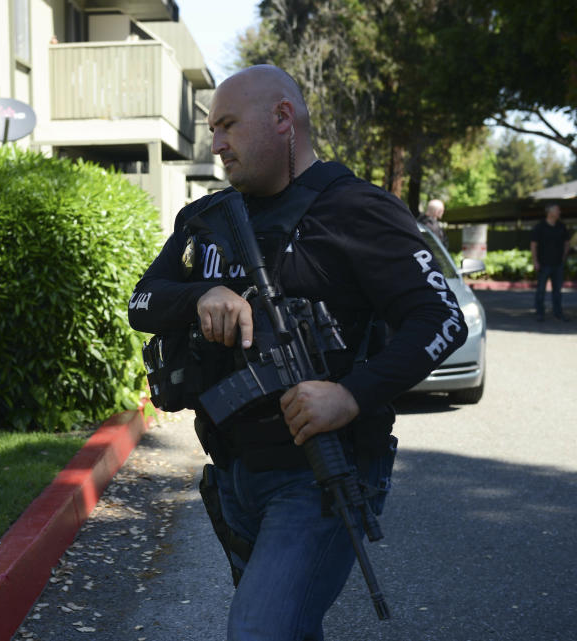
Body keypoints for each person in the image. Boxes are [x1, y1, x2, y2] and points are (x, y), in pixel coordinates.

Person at [128, 65, 468, 641]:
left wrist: (351, 395)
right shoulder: (206, 218)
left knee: (259, 631)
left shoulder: (359, 209)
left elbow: (442, 319)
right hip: (234, 472)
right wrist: (201, 294)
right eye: (213, 130)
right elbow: (142, 302)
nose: (216, 144)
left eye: (229, 125)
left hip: (319, 476)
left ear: (283, 118)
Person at [530, 203, 570, 321]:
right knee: (541, 290)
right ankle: (540, 312)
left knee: (557, 291)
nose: (559, 212)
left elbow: (567, 242)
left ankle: (558, 313)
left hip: (558, 264)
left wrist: (564, 256)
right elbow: (533, 245)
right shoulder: (540, 227)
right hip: (543, 263)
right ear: (550, 212)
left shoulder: (561, 226)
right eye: (557, 210)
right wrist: (535, 261)